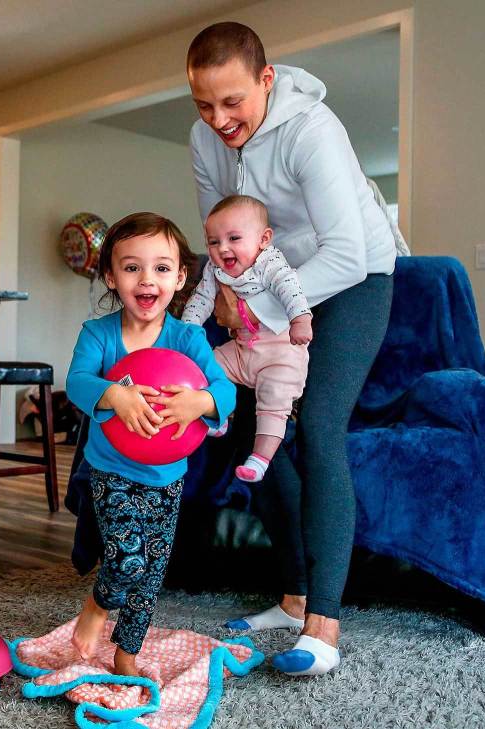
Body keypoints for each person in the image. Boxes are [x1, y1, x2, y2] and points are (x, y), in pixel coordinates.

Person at [186, 22, 397, 676]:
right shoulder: (202, 139)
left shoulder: (313, 131)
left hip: (355, 279)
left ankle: (324, 626)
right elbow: (222, 234)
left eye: (233, 102)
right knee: (254, 428)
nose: (219, 119)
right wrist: (220, 296)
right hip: (266, 287)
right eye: (203, 104)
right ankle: (291, 594)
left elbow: (346, 253)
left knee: (321, 423)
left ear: (266, 81)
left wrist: (260, 305)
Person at [66, 212, 236, 676]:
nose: (147, 279)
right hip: (111, 472)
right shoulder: (98, 335)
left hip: (167, 479)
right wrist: (115, 393)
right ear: (110, 275)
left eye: (162, 268)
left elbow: (226, 391)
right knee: (126, 557)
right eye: (132, 267)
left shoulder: (188, 338)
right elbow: (77, 381)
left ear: (180, 277)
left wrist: (200, 401)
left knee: (151, 575)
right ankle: (97, 608)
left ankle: (127, 655)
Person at [183, 194, 311, 483]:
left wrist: (300, 319)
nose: (222, 248)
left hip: (280, 354)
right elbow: (201, 299)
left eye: (234, 238)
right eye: (213, 242)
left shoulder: (271, 264)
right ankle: (220, 414)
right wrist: (187, 328)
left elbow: (291, 290)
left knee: (274, 401)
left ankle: (260, 458)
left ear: (263, 239)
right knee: (207, 365)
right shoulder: (215, 270)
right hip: (242, 350)